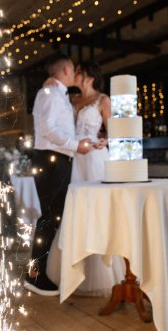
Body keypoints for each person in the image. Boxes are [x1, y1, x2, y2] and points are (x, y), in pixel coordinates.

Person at [46, 60, 125, 296]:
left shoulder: (103, 100)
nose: (75, 76)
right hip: (76, 161)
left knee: (99, 211)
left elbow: (115, 132)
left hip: (96, 159)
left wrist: (105, 141)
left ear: (88, 75)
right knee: (78, 211)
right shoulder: (73, 101)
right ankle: (73, 272)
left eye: (78, 72)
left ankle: (108, 270)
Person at [24, 54, 93, 296]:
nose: (76, 73)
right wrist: (76, 146)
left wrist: (79, 143)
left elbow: (59, 129)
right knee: (50, 218)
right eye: (73, 69)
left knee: (53, 217)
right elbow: (48, 130)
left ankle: (39, 271)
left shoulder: (56, 93)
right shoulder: (49, 94)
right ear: (64, 70)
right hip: (51, 160)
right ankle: (34, 275)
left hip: (58, 160)